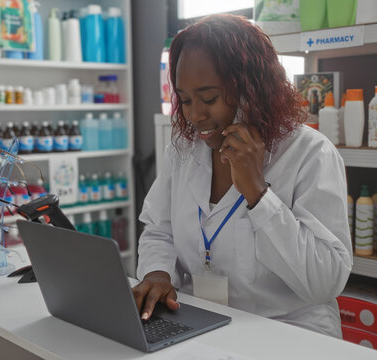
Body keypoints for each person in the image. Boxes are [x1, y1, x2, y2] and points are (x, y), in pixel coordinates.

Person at [132, 14, 352, 338]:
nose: (194, 116)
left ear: (252, 89)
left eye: (209, 99)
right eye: (186, 99)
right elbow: (158, 230)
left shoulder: (309, 153)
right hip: (204, 322)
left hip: (288, 330)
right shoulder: (183, 153)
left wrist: (258, 195)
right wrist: (158, 273)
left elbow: (326, 280)